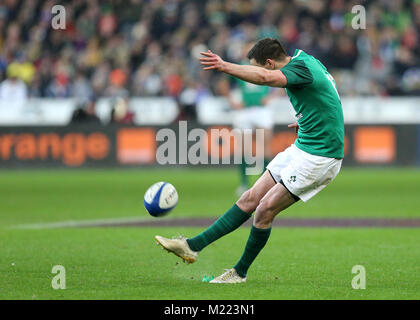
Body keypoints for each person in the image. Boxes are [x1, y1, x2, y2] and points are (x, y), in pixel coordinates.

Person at [155, 38, 345, 283]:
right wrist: (312, 118)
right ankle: (191, 246)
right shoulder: (305, 60)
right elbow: (329, 91)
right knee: (250, 199)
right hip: (304, 146)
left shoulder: (296, 69)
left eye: (259, 68)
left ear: (269, 63)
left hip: (320, 156)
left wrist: (224, 66)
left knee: (264, 210)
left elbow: (265, 79)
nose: (259, 73)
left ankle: (239, 273)